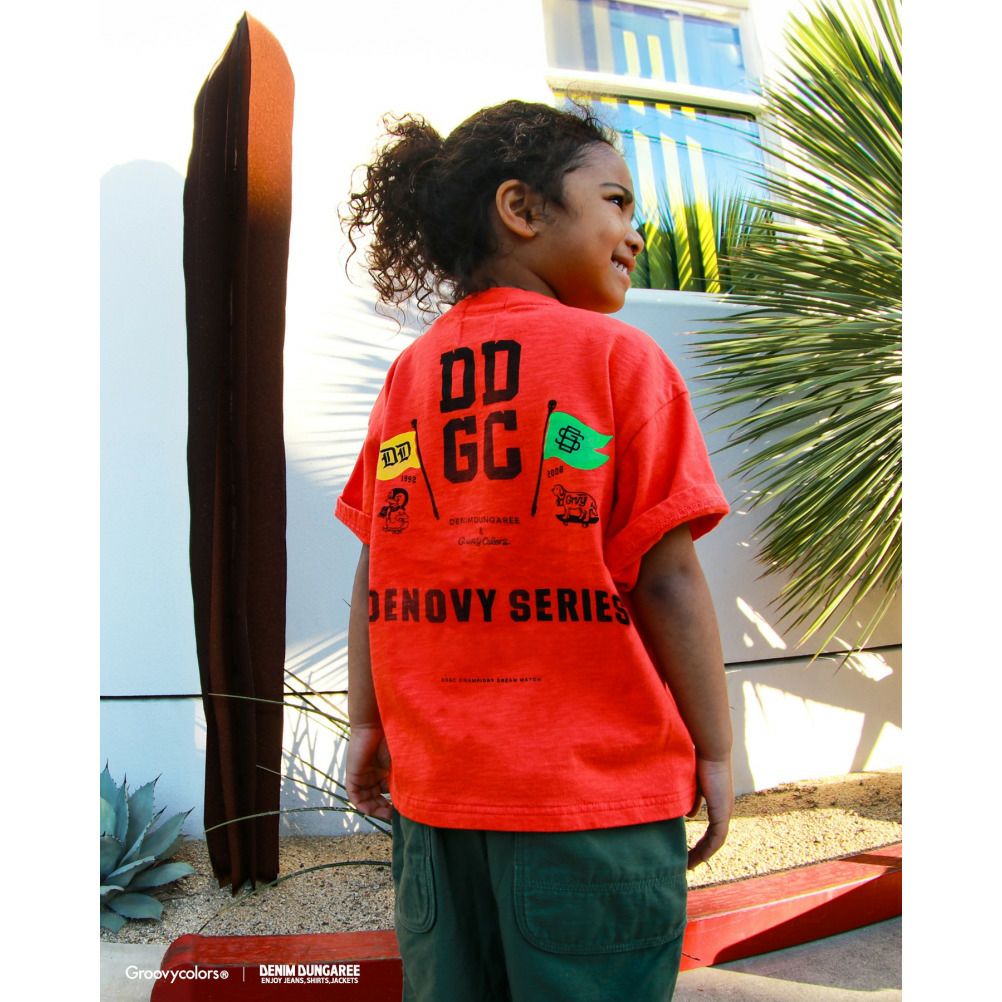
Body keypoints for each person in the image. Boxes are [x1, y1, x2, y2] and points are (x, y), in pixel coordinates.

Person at [336, 99, 733, 1002]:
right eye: (617, 201)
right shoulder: (620, 360)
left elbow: (377, 566)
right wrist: (713, 748)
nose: (637, 231)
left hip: (437, 810)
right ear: (521, 209)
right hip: (591, 809)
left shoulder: (410, 376)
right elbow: (668, 579)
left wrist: (365, 723)